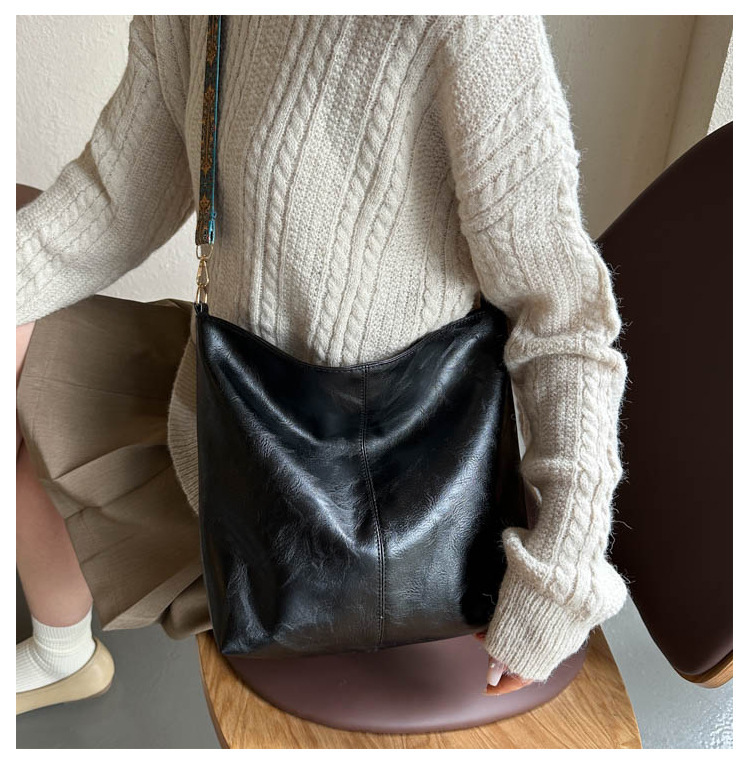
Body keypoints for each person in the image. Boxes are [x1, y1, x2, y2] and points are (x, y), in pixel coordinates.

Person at [16, 15, 629, 713]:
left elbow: (562, 317)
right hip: (225, 427)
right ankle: (64, 652)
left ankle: (70, 647)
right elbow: (115, 202)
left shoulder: (465, 25)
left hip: (397, 514)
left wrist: (560, 572)